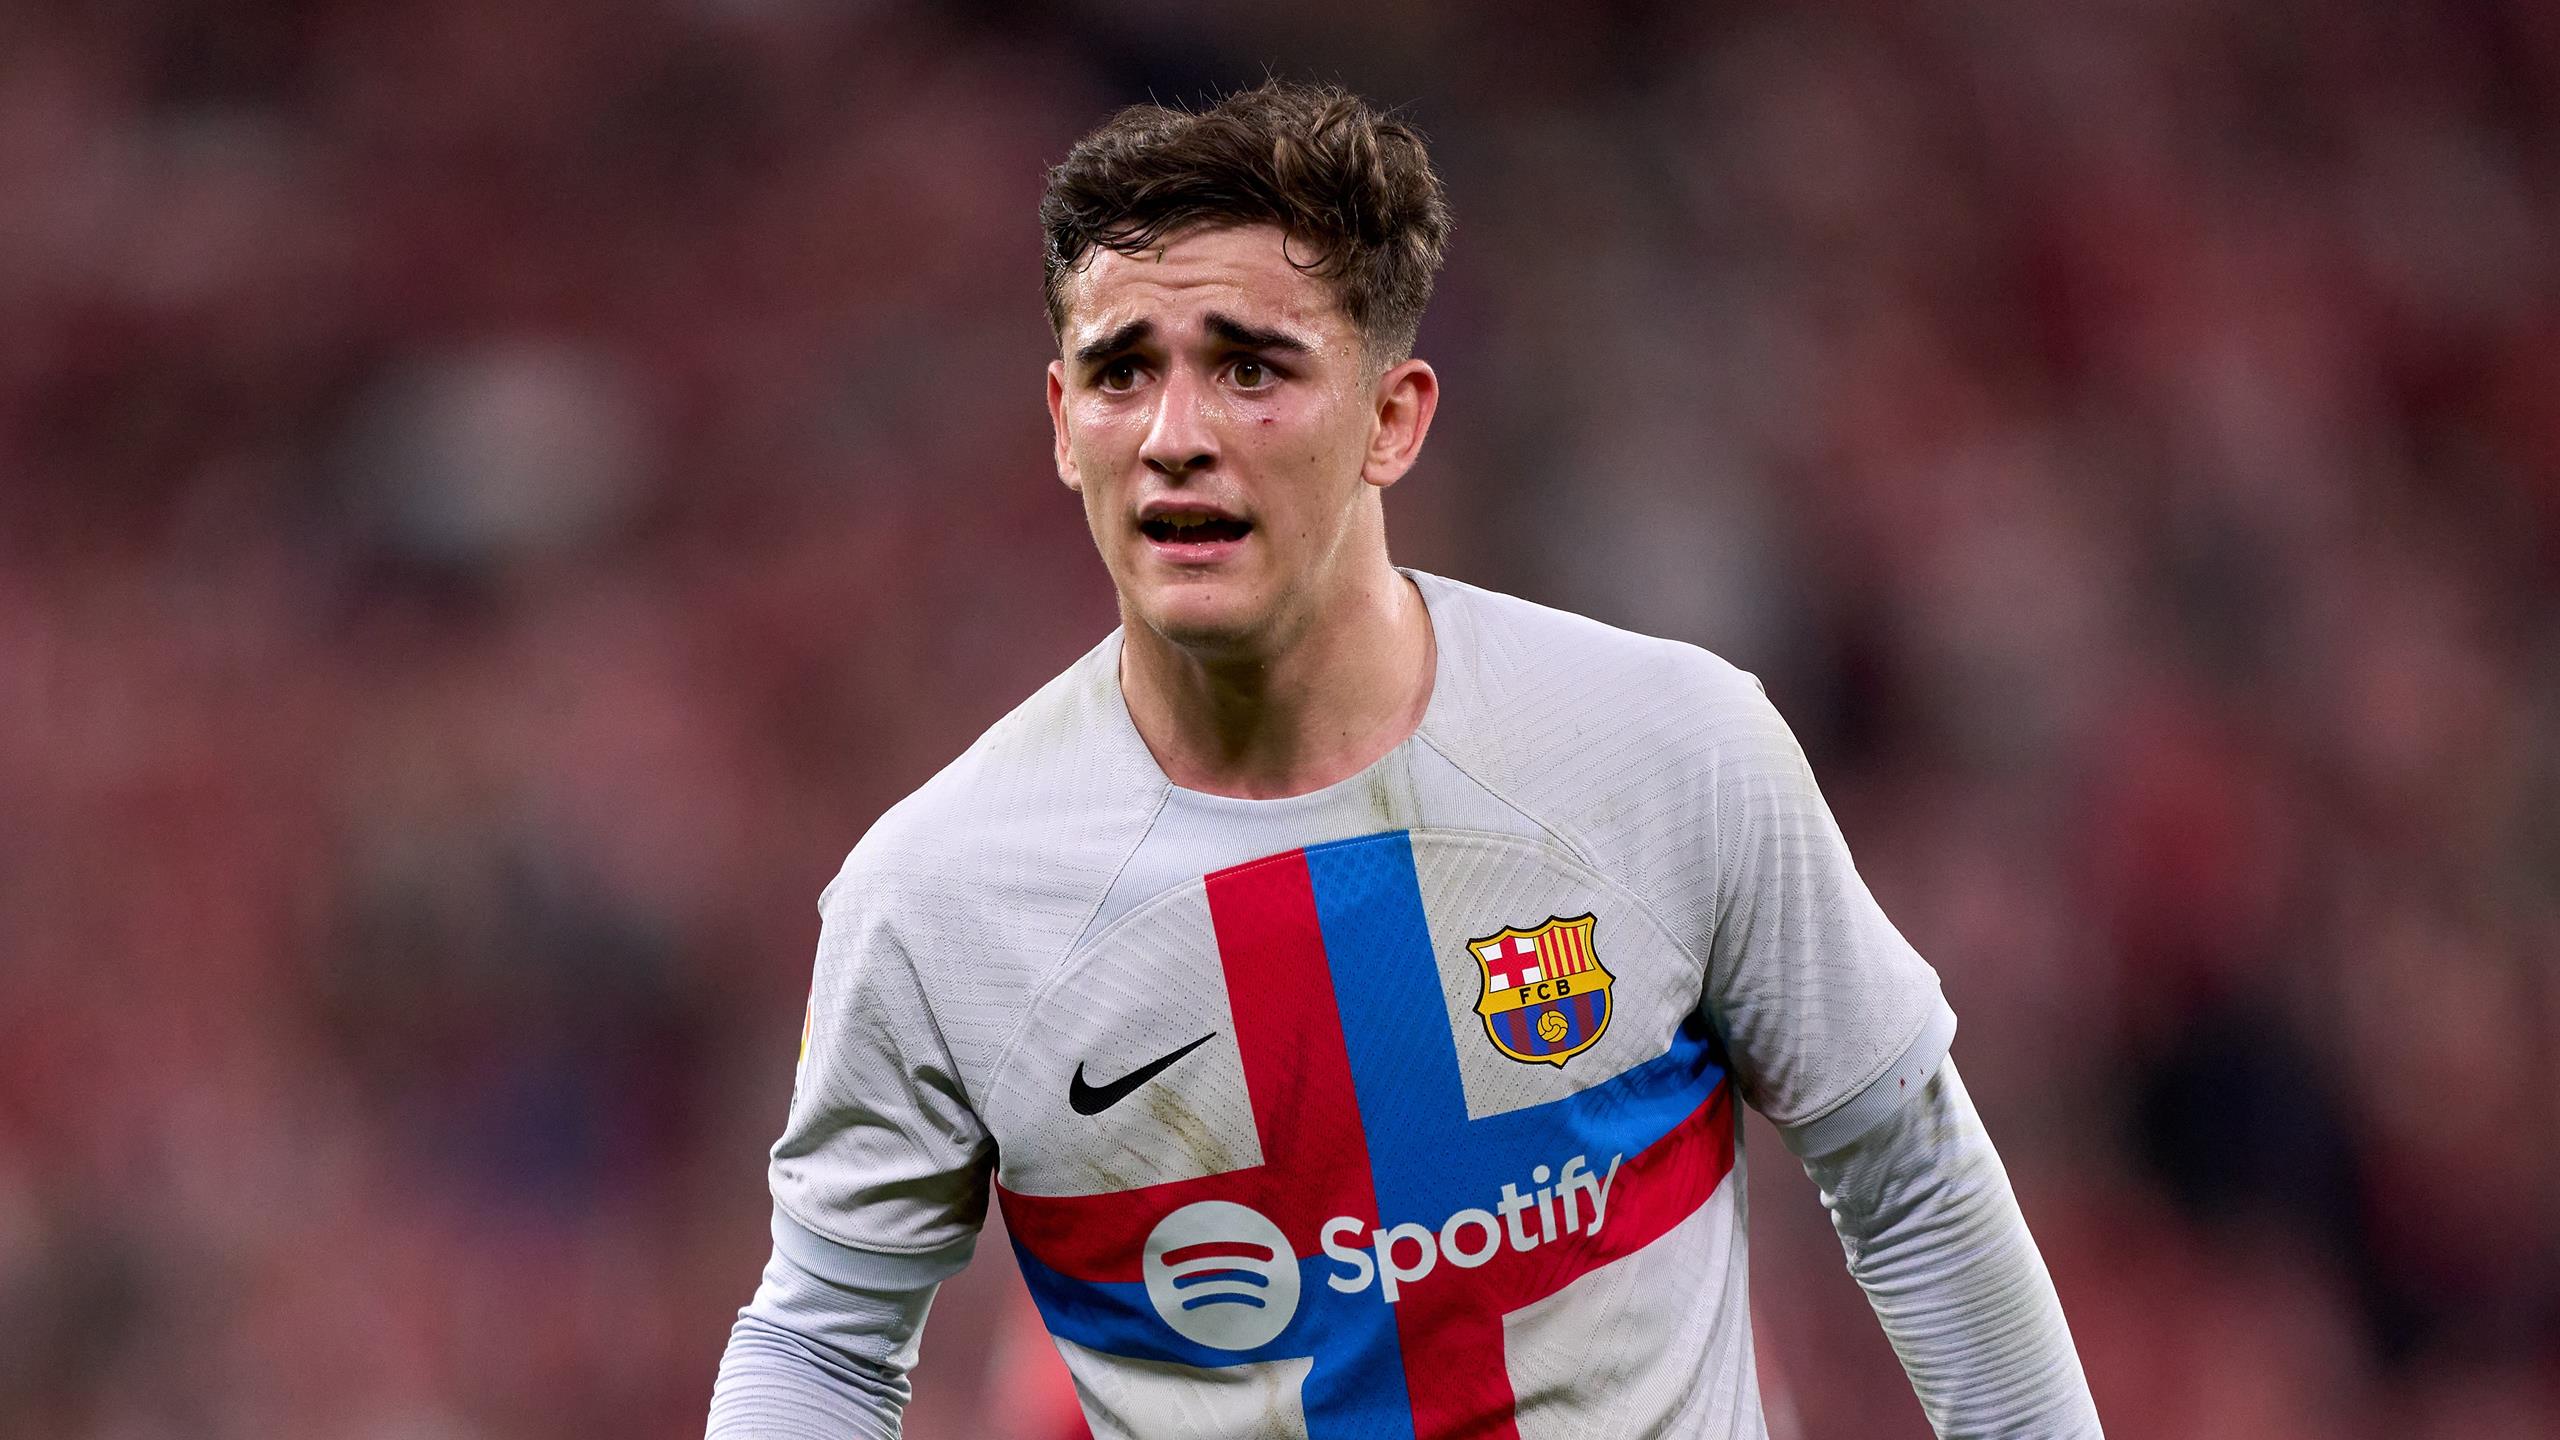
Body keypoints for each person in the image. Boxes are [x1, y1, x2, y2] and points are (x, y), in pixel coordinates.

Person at [707, 80, 2103, 1439]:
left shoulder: (1672, 747)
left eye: (1250, 367)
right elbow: (823, 1343)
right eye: (1124, 371)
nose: (1177, 436)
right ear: (1066, 426)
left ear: (1393, 418)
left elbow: (1910, 1177)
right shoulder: (935, 897)